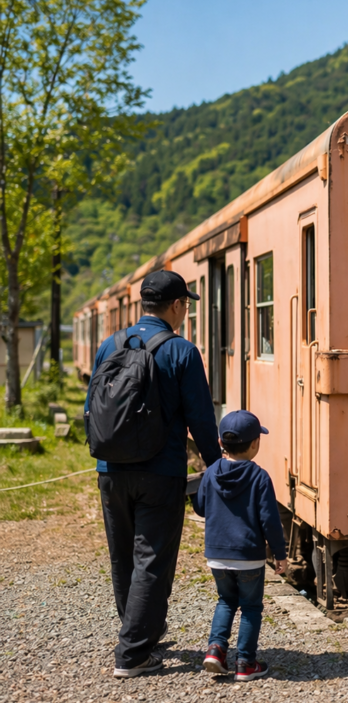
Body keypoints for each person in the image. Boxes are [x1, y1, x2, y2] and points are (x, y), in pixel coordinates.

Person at [88, 271, 221, 678]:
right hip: (160, 472)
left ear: (143, 303)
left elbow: (93, 404)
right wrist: (216, 468)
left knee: (123, 555)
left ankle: (140, 630)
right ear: (178, 305)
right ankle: (132, 653)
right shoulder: (181, 350)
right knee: (151, 559)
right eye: (185, 305)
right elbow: (200, 418)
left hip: (110, 469)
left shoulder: (110, 345)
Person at [194, 411, 287, 681]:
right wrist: (280, 554)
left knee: (225, 601)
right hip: (249, 557)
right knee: (250, 607)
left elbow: (200, 507)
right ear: (255, 444)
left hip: (217, 555)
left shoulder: (211, 473)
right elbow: (270, 521)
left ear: (221, 443)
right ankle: (245, 663)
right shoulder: (259, 477)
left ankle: (215, 650)